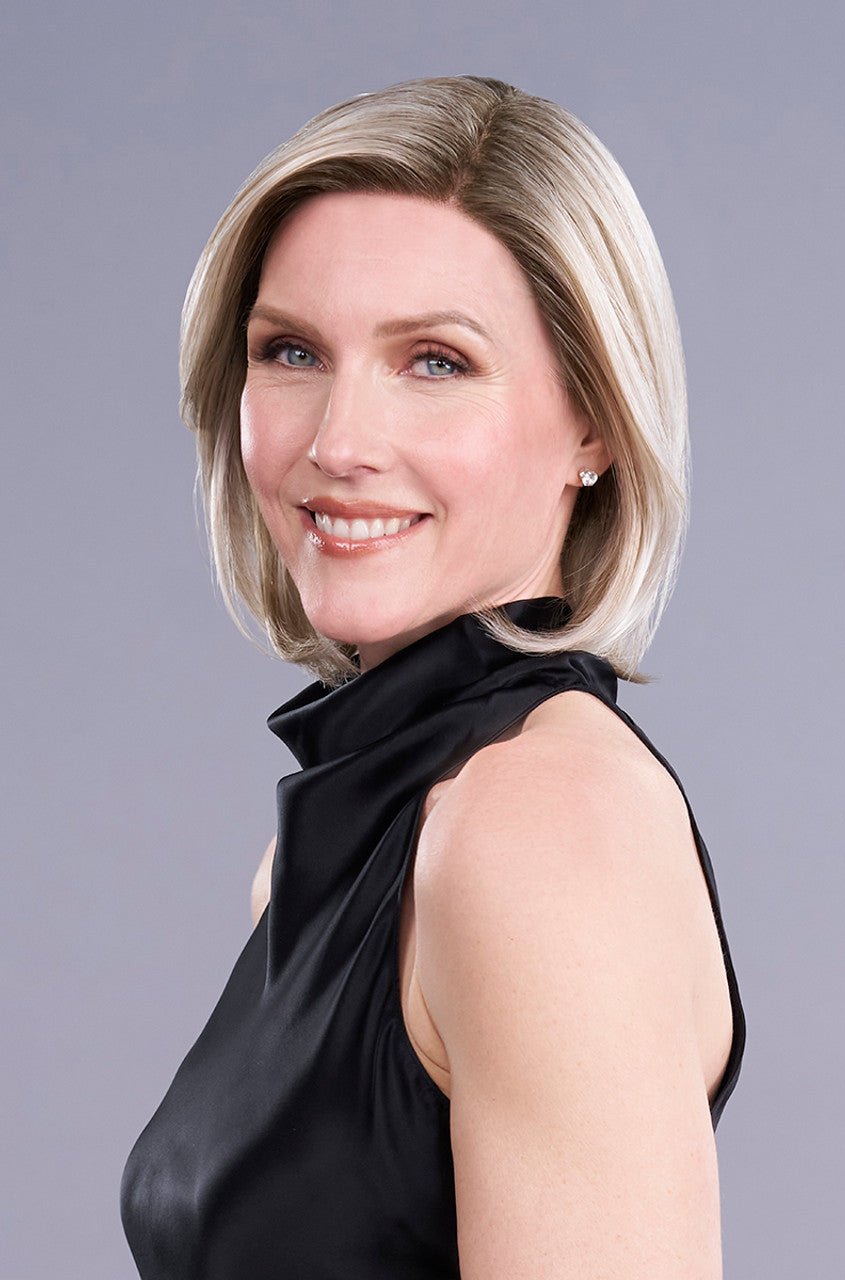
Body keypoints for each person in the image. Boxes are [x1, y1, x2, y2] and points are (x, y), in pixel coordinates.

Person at [120, 74, 746, 1278]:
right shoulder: (362, 834)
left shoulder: (536, 826)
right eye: (292, 350)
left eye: (436, 362)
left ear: (592, 422)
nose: (337, 441)